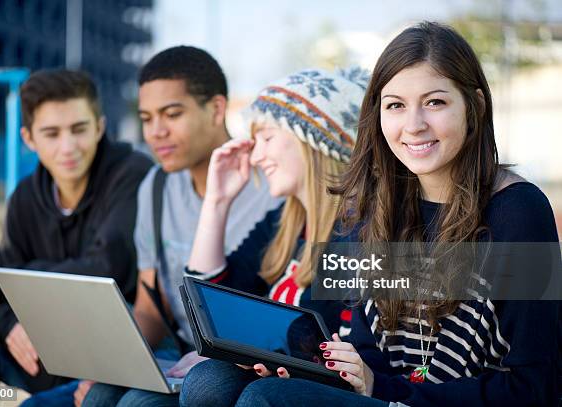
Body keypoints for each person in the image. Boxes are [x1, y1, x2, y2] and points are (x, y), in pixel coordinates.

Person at [204, 21, 560, 407]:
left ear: (474, 106)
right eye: (396, 106)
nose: (414, 125)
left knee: (266, 399)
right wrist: (316, 368)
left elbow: (534, 388)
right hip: (388, 396)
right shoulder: (381, 206)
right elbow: (368, 354)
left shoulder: (519, 211)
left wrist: (381, 389)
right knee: (211, 380)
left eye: (435, 102)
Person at [64, 46, 282, 407]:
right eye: (147, 118)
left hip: (246, 360)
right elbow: (151, 308)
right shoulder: (156, 186)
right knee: (100, 394)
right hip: (180, 353)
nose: (156, 132)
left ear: (215, 109)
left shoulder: (272, 187)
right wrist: (114, 364)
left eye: (172, 114)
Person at [0, 69, 153, 405]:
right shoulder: (26, 196)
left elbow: (107, 268)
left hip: (109, 355)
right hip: (40, 351)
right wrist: (7, 325)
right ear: (29, 138)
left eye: (79, 129)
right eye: (51, 133)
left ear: (100, 127)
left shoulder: (132, 174)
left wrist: (19, 278)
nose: (67, 147)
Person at [179, 66, 370, 407]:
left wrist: (286, 353)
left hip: (313, 389)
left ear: (315, 142)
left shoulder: (358, 233)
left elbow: (350, 349)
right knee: (207, 380)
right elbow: (211, 298)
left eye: (266, 138)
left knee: (225, 386)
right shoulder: (282, 222)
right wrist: (217, 201)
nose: (255, 156)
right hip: (272, 378)